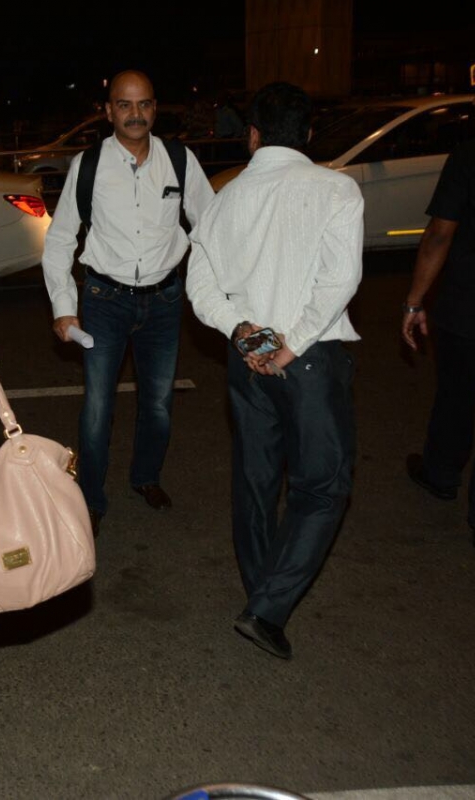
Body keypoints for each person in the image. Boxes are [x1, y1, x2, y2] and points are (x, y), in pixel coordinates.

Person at [186, 81, 364, 660]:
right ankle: (267, 607)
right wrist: (292, 343)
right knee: (322, 486)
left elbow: (200, 284)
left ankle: (261, 595)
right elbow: (340, 279)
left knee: (256, 480)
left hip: (249, 360)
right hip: (308, 361)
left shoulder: (224, 199)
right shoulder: (337, 189)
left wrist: (246, 332)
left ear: (254, 135)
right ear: (307, 134)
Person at [42, 69, 214, 531]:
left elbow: (210, 228)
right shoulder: (89, 164)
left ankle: (145, 477)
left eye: (143, 104)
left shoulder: (179, 160)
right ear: (108, 111)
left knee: (157, 403)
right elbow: (60, 240)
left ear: (155, 108)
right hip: (104, 301)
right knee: (98, 407)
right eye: (124, 104)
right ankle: (91, 498)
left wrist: (208, 292)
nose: (134, 114)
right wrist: (64, 307)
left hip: (163, 301)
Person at [401, 53, 475, 552]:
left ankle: (442, 473)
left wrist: (414, 301)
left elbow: (439, 237)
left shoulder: (473, 157)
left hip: (471, 307)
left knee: (457, 396)